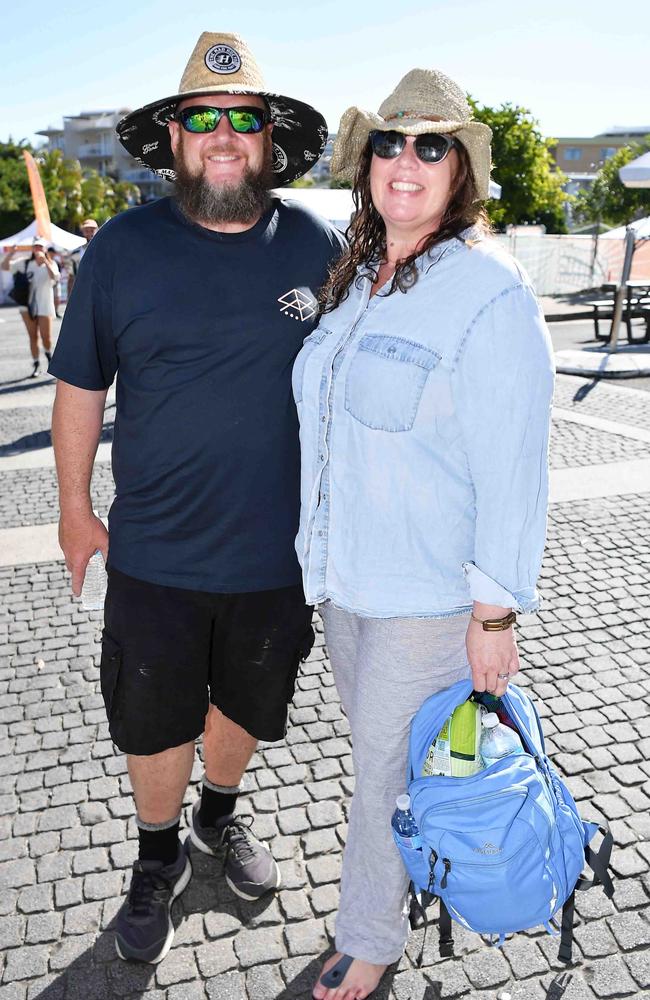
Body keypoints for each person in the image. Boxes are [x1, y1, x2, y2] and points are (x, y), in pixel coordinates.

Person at [49, 31, 344, 965]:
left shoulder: (314, 244)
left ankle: (219, 818)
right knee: (153, 714)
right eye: (203, 119)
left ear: (268, 139)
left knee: (248, 708)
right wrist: (73, 510)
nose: (223, 135)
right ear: (174, 139)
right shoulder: (122, 250)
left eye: (242, 120)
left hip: (277, 557)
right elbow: (79, 390)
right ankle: (154, 857)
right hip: (156, 554)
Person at [293, 69, 554, 1000]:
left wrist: (494, 615)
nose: (407, 161)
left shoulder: (490, 290)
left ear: (461, 172)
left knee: (376, 780)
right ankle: (396, 901)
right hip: (347, 586)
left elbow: (514, 464)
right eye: (390, 144)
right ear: (368, 164)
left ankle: (369, 939)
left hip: (429, 601)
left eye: (430, 146)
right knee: (389, 769)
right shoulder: (360, 279)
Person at [1, 237, 59, 378]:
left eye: (40, 247)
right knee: (33, 336)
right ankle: (36, 363)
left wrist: (45, 261)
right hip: (26, 305)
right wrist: (10, 253)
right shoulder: (25, 263)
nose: (38, 249)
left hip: (45, 304)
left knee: (47, 337)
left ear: (45, 249)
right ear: (32, 249)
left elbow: (55, 277)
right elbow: (4, 267)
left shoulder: (51, 263)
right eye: (36, 247)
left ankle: (49, 357)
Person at [66, 219, 98, 297]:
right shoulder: (75, 253)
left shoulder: (104, 251)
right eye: (87, 230)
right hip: (81, 291)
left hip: (98, 291)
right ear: (83, 232)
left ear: (97, 231)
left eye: (92, 230)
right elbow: (71, 277)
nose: (90, 233)